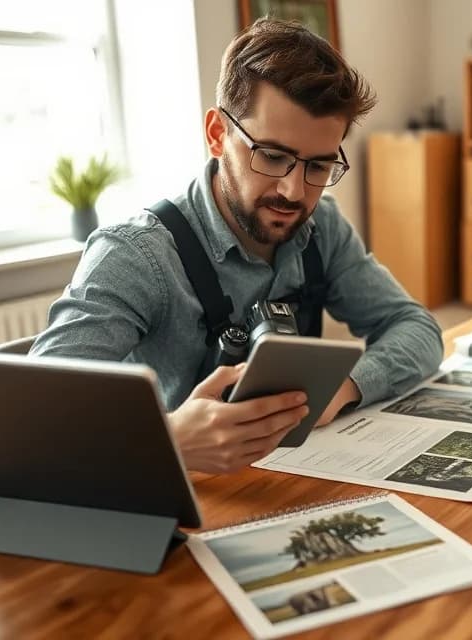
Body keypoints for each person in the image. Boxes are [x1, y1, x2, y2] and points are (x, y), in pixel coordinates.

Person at [31, 18, 443, 475]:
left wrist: (344, 388)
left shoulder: (321, 225)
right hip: (176, 491)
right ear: (216, 134)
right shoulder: (135, 253)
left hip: (297, 476)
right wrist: (166, 441)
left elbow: (417, 328)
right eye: (271, 155)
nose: (293, 191)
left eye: (319, 166)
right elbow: (37, 414)